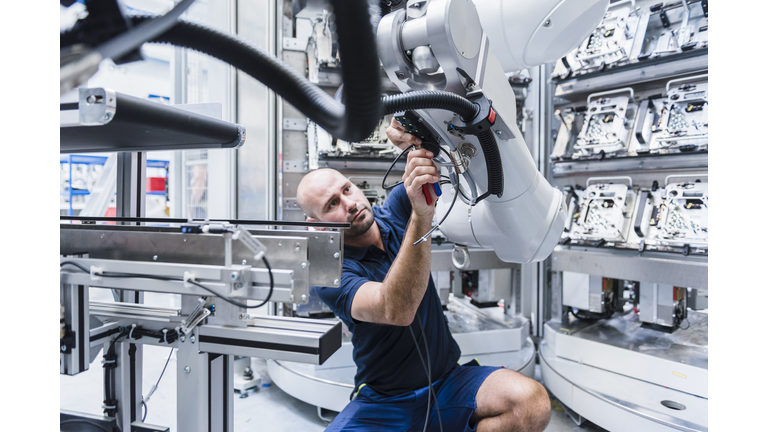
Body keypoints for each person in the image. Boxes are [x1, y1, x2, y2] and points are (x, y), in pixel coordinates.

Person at [295, 118, 551, 432]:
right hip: (383, 400)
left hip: (448, 382)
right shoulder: (329, 272)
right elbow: (396, 309)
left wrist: (411, 138)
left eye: (347, 189)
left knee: (531, 402)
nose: (349, 204)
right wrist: (422, 213)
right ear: (316, 224)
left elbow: (442, 147)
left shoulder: (396, 209)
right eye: (332, 204)